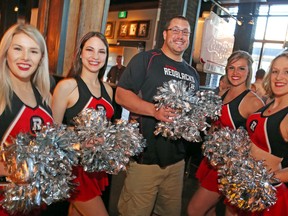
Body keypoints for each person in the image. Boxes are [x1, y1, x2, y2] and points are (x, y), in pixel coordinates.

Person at [115, 15, 200, 216]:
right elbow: (121, 94)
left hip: (177, 163)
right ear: (164, 34)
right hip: (146, 160)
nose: (180, 36)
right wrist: (154, 111)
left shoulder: (193, 74)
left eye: (185, 32)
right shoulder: (146, 59)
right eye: (175, 30)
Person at [187, 50, 264, 216]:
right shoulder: (224, 93)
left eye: (241, 68)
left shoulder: (254, 102)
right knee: (210, 210)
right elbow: (217, 124)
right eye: (231, 68)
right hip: (212, 160)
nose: (235, 73)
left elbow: (260, 140)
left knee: (194, 210)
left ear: (249, 71)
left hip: (229, 167)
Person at [52, 32, 113, 216]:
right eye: (90, 50)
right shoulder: (67, 86)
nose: (95, 57)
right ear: (80, 53)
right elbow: (51, 132)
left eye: (101, 52)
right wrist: (79, 137)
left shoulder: (108, 89)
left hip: (96, 167)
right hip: (76, 169)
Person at [0, 24, 52, 215]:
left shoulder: (44, 96)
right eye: (17, 49)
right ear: (6, 53)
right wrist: (14, 170)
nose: (25, 58)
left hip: (33, 203)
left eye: (33, 51)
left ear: (41, 59)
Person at [241, 52, 288, 215]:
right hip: (247, 187)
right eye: (275, 71)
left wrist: (267, 180)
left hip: (269, 196)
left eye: (286, 72)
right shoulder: (268, 104)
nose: (279, 77)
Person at [106, 55, 126, 121]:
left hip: (120, 88)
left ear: (122, 60)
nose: (118, 61)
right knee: (112, 102)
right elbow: (108, 77)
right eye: (117, 59)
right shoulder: (113, 68)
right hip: (112, 87)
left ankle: (117, 117)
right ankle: (111, 116)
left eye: (120, 60)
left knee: (119, 104)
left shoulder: (125, 69)